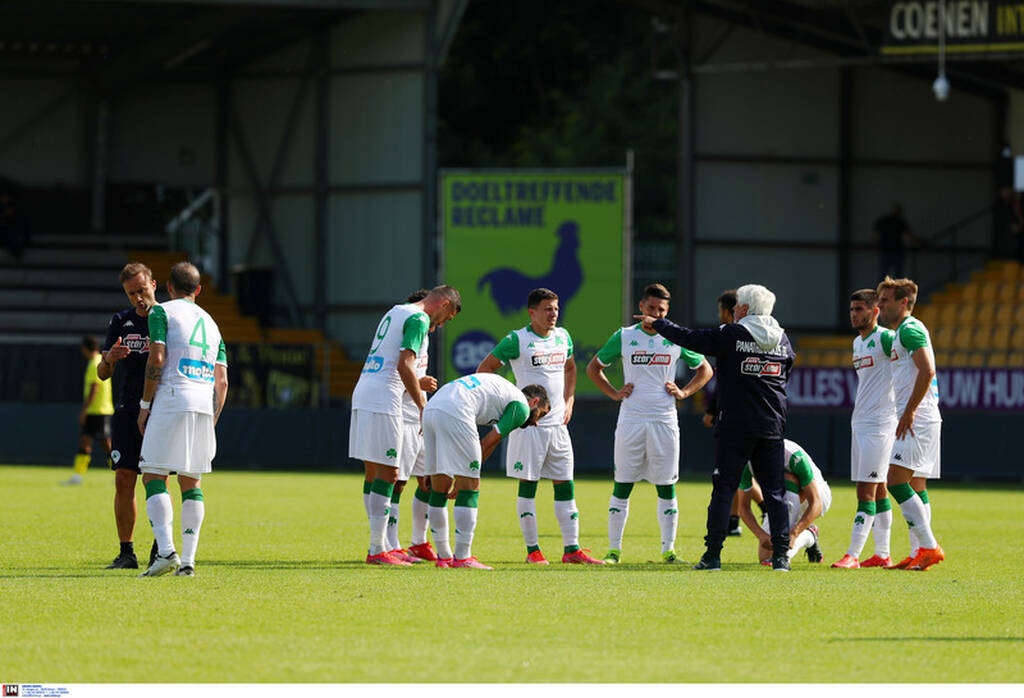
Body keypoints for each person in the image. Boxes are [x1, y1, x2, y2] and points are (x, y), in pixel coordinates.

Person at [639, 283, 795, 571]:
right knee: (775, 493)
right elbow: (786, 371)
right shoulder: (783, 339)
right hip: (772, 425)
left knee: (724, 489)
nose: (733, 309)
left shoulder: (731, 333)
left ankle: (712, 556)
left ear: (745, 309)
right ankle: (781, 557)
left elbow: (691, 338)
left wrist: (659, 324)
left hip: (735, 425)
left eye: (736, 305)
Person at [586, 283, 712, 564]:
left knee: (666, 486)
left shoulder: (676, 337)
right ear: (641, 307)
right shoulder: (624, 336)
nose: (656, 314)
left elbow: (706, 369)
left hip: (664, 419)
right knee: (622, 484)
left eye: (662, 310)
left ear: (667, 313)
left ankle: (669, 551)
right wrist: (614, 394)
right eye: (651, 308)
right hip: (631, 418)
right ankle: (613, 551)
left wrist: (685, 392)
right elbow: (593, 368)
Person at [476, 287, 602, 565]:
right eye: (547, 309)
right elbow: (483, 371)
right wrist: (512, 401)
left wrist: (569, 400)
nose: (553, 314)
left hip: (558, 425)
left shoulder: (563, 336)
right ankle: (533, 551)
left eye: (556, 308)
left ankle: (572, 550)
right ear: (532, 312)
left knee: (565, 485)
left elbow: (570, 369)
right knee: (528, 486)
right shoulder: (516, 340)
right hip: (528, 427)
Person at [349, 284, 462, 565]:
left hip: (366, 392)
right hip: (384, 399)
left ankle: (386, 545)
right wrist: (424, 407)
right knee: (389, 474)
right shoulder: (419, 318)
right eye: (446, 319)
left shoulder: (397, 311)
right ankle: (377, 550)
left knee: (377, 472)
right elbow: (404, 365)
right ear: (445, 304)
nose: (440, 325)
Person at [137, 262, 229, 577]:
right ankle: (188, 562)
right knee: (192, 482)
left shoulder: (162, 312)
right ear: (198, 290)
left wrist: (146, 403)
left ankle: (165, 551)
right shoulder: (213, 323)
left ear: (168, 286)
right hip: (203, 403)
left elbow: (157, 357)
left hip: (172, 397)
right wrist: (212, 416)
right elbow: (223, 381)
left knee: (153, 473)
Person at [423, 373, 549, 569]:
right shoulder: (522, 407)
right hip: (456, 409)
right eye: (542, 413)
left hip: (432, 407)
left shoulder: (505, 392)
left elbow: (486, 447)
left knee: (439, 486)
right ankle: (463, 557)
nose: (537, 422)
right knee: (471, 487)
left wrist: (462, 473)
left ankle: (444, 557)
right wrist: (465, 476)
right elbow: (488, 442)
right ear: (534, 401)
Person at [875, 276, 945, 571]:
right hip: (922, 417)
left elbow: (927, 370)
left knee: (895, 480)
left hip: (918, 418)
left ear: (905, 302)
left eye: (886, 300)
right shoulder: (902, 331)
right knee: (916, 483)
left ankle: (929, 546)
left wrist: (909, 411)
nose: (879, 306)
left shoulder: (911, 328)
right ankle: (920, 552)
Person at [96, 262, 160, 570]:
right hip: (127, 410)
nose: (138, 298)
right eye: (131, 293)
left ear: (154, 285)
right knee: (124, 478)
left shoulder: (168, 320)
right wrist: (109, 359)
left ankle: (162, 548)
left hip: (161, 410)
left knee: (157, 479)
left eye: (142, 290)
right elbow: (102, 374)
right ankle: (126, 552)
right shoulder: (120, 321)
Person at [832, 289, 897, 569]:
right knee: (880, 488)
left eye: (860, 309)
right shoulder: (858, 343)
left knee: (865, 490)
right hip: (860, 423)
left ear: (875, 311)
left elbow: (910, 368)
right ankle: (882, 554)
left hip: (880, 425)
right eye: (852, 310)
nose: (854, 314)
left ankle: (853, 554)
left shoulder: (886, 338)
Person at [701, 289, 764, 536]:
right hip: (751, 415)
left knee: (734, 472)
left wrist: (711, 409)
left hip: (738, 417)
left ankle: (739, 520)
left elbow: (727, 382)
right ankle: (740, 518)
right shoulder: (742, 337)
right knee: (741, 472)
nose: (720, 315)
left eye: (721, 310)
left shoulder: (732, 338)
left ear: (732, 311)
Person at [385, 288, 439, 563]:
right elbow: (394, 374)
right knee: (398, 481)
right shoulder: (409, 326)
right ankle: (390, 543)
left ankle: (419, 541)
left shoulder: (421, 334)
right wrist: (420, 384)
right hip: (404, 415)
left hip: (420, 416)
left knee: (428, 478)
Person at [737, 439, 829, 566]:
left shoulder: (793, 456)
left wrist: (794, 533)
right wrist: (761, 535)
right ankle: (809, 535)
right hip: (781, 498)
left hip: (816, 495)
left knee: (787, 478)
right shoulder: (746, 461)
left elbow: (816, 503)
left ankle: (784, 553)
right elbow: (743, 507)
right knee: (765, 556)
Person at [62, 336, 115, 485]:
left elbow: (94, 388)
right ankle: (77, 476)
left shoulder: (94, 363)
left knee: (106, 444)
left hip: (98, 410)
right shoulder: (99, 361)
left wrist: (84, 410)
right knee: (85, 442)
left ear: (85, 349)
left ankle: (119, 472)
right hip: (99, 410)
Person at [872, 203, 922, 279]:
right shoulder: (885, 221)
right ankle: (884, 290)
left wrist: (918, 242)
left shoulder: (900, 222)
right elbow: (875, 235)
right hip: (887, 250)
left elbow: (909, 235)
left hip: (895, 250)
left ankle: (893, 289)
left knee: (895, 274)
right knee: (886, 274)